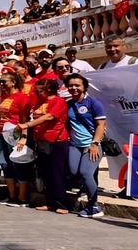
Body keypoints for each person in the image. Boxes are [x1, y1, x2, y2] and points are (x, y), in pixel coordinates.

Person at [20, 78, 70, 214]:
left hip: (57, 141)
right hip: (42, 141)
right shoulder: (39, 102)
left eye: (40, 90)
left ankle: (61, 204)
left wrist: (28, 125)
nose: (37, 92)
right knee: (46, 173)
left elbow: (49, 117)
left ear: (49, 89)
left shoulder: (58, 101)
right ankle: (50, 203)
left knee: (57, 173)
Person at [64, 74, 107, 219]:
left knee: (85, 173)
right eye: (70, 85)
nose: (74, 88)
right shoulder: (68, 104)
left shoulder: (94, 103)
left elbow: (101, 125)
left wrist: (95, 144)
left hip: (91, 145)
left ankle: (94, 206)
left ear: (84, 87)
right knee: (73, 171)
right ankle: (87, 190)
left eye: (77, 85)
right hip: (75, 145)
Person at [0, 71, 34, 208]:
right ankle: (12, 196)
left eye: (3, 81)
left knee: (19, 164)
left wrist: (23, 138)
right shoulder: (5, 97)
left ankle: (22, 198)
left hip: (15, 135)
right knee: (5, 164)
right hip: (2, 134)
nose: (1, 84)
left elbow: (24, 119)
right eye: (0, 81)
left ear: (13, 82)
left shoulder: (22, 98)